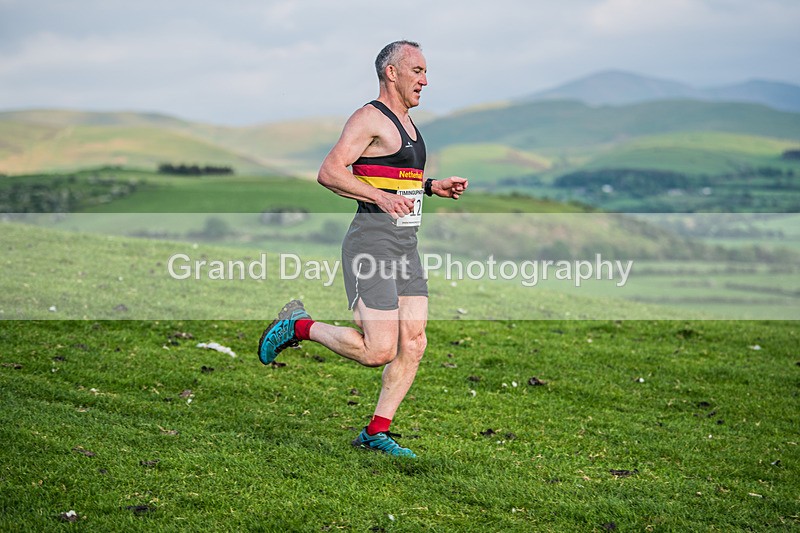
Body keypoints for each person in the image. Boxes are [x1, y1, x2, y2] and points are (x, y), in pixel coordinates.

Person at [258, 40, 468, 458]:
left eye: (426, 72)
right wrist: (379, 198)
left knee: (416, 341)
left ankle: (375, 432)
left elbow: (394, 178)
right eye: (417, 71)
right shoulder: (369, 118)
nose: (425, 81)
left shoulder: (409, 125)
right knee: (378, 351)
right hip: (371, 244)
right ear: (391, 72)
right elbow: (330, 171)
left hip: (406, 246)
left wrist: (431, 187)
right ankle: (298, 326)